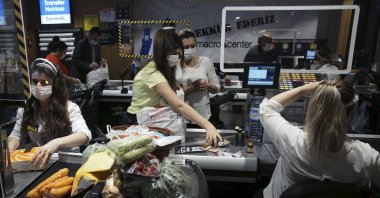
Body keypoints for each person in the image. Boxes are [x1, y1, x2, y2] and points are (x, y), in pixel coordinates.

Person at [259, 79, 380, 197]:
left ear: (314, 107)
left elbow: (266, 108)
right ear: (352, 110)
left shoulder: (294, 142)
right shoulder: (367, 157)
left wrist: (305, 88)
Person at [127, 29, 222, 145]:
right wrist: (208, 126)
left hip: (153, 122)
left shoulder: (162, 69)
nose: (176, 57)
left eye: (177, 53)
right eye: (173, 53)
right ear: (162, 52)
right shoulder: (152, 73)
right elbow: (179, 105)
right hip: (140, 124)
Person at [7, 58, 92, 168]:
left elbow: (85, 135)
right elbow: (16, 134)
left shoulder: (70, 108)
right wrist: (11, 144)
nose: (38, 86)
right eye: (34, 81)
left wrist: (57, 143)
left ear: (55, 85)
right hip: (38, 163)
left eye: (44, 82)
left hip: (66, 163)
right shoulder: (25, 109)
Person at [175, 29, 220, 122]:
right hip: (180, 116)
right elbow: (172, 95)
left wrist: (207, 86)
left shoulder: (205, 61)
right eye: (186, 47)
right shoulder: (174, 64)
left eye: (193, 46)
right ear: (179, 47)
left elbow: (217, 88)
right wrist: (191, 88)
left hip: (202, 116)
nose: (190, 49)